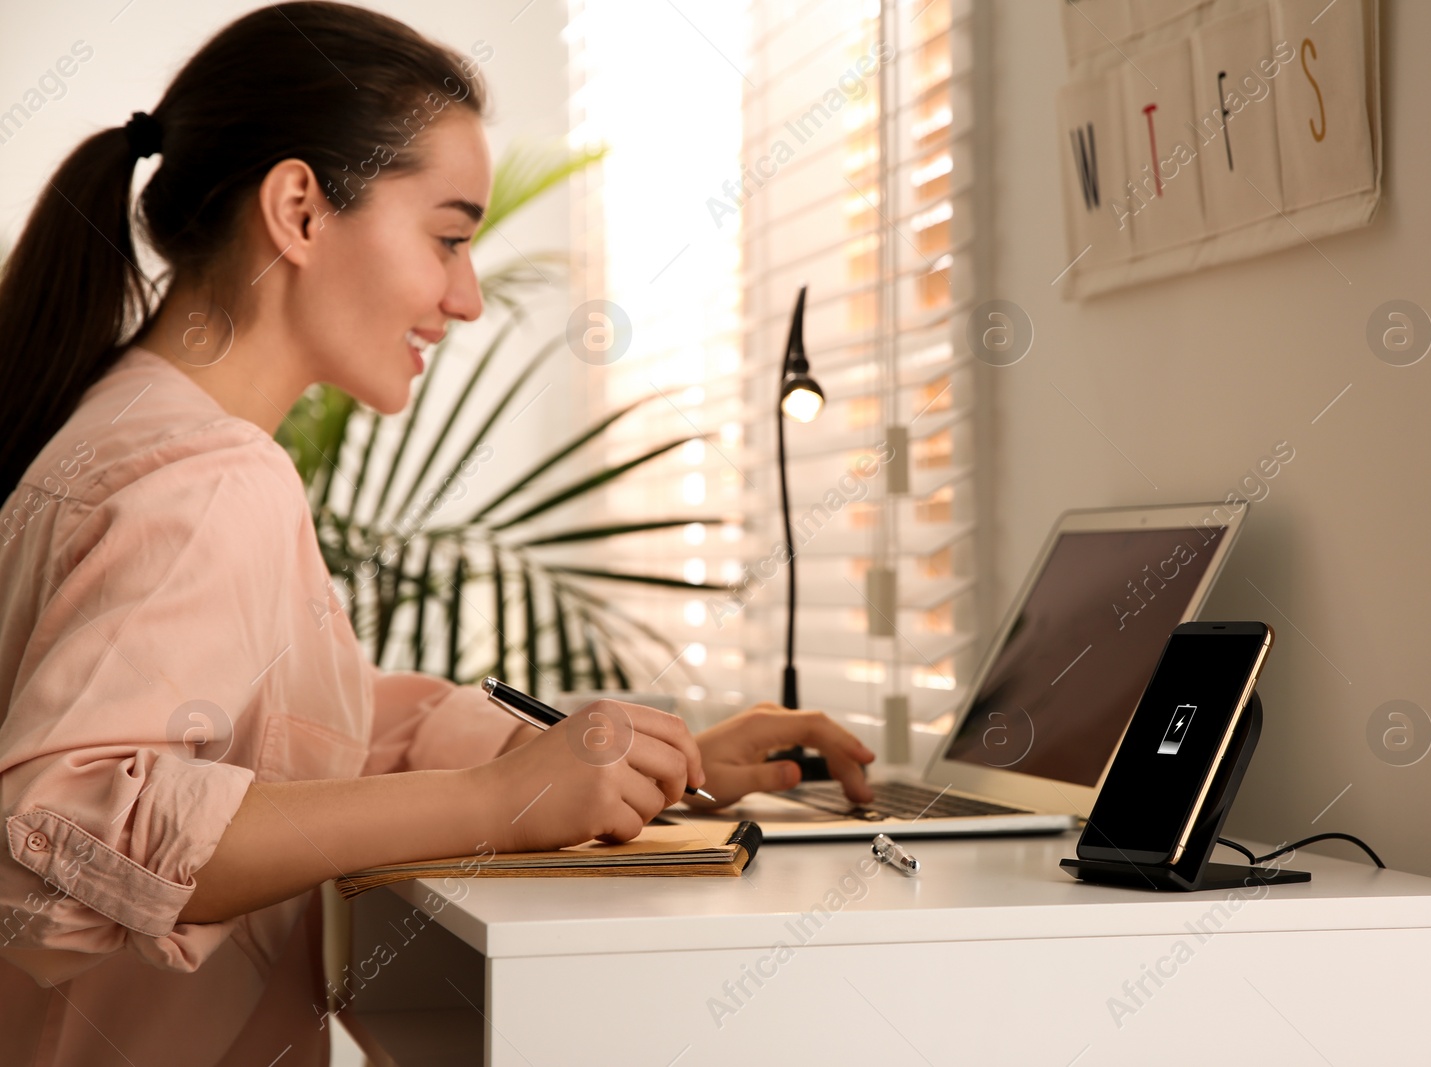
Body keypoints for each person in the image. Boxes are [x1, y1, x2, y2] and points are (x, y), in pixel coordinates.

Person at [0, 4, 875, 1063]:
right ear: (299, 211)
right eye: (449, 237)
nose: (463, 296)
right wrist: (492, 797)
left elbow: (278, 735)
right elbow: (59, 836)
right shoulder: (208, 476)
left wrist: (657, 759)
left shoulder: (127, 424)